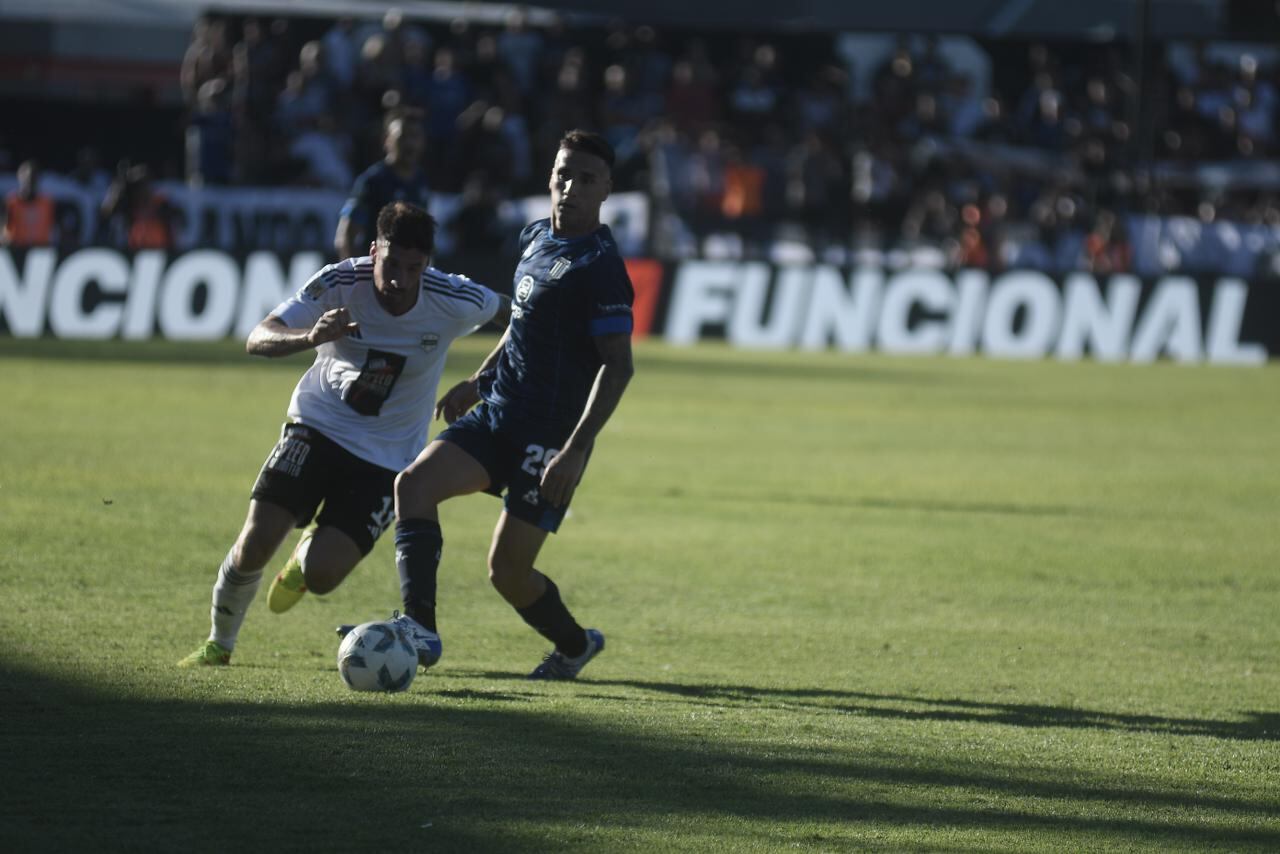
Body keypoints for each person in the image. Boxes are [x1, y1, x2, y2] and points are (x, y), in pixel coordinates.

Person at [345, 129, 635, 681]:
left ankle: (575, 645)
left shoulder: (601, 268)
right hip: (498, 412)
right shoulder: (533, 237)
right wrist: (479, 380)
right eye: (563, 173)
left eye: (586, 179)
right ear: (550, 175)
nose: (570, 187)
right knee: (413, 485)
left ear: (606, 191)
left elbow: (617, 367)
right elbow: (521, 321)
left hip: (548, 439)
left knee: (507, 573)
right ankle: (421, 629)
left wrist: (575, 451)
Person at [179, 202, 509, 667]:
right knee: (256, 542)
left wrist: (479, 383)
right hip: (317, 426)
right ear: (374, 251)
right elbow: (259, 337)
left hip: (389, 456)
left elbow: (520, 317)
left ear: (427, 265)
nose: (399, 278)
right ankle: (219, 643)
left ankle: (303, 560)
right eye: (391, 263)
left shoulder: (452, 297)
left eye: (413, 268)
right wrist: (309, 337)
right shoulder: (340, 281)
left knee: (323, 576)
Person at [334, 109, 431, 260]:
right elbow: (346, 236)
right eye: (403, 137)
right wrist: (356, 277)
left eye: (415, 136)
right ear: (387, 140)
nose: (410, 144)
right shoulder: (373, 181)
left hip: (407, 277)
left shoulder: (422, 181)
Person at [2, 160, 55, 248]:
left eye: (33, 179)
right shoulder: (11, 202)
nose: (29, 183)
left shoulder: (47, 203)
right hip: (16, 250)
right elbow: (4, 229)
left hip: (41, 251)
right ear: (19, 178)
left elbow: (54, 230)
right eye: (26, 179)